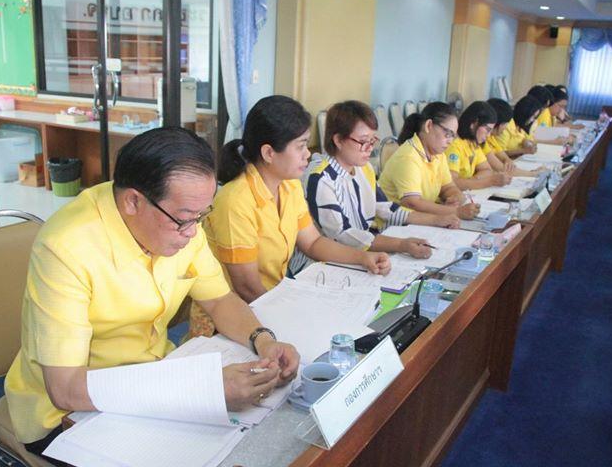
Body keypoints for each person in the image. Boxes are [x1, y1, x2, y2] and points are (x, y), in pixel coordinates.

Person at [4, 127, 300, 461]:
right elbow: (66, 388)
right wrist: (199, 390)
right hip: (69, 413)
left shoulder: (179, 223)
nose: (193, 232)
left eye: (201, 216)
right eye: (184, 220)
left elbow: (219, 300)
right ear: (133, 201)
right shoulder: (66, 248)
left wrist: (263, 340)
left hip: (155, 377)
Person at [192, 95, 390, 335]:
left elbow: (313, 243)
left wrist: (363, 258)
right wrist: (292, 320)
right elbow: (246, 287)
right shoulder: (235, 201)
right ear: (269, 153)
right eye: (300, 146)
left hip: (272, 301)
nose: (308, 154)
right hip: (231, 322)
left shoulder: (289, 184)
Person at [302, 100, 459, 260]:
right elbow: (343, 235)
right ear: (338, 140)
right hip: (325, 261)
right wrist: (400, 245)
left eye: (372, 140)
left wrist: (436, 220)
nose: (370, 148)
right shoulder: (321, 178)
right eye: (363, 141)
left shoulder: (364, 168)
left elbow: (386, 207)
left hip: (361, 253)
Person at [379, 102, 479, 221]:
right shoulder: (408, 156)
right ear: (428, 126)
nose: (450, 141)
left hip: (420, 220)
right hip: (393, 224)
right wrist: (456, 211)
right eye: (448, 134)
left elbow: (447, 187)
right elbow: (411, 203)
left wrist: (455, 197)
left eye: (453, 136)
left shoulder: (438, 155)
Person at [444, 101, 511, 191]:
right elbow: (452, 182)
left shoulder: (473, 144)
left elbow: (487, 170)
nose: (488, 135)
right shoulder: (454, 146)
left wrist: (471, 182)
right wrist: (489, 182)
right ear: (473, 124)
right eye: (487, 130)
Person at [484, 98, 543, 177]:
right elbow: (502, 168)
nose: (506, 127)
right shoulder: (483, 141)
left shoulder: (491, 138)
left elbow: (502, 154)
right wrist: (533, 174)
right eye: (506, 124)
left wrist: (507, 160)